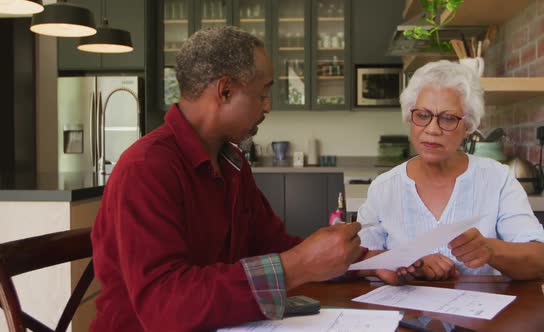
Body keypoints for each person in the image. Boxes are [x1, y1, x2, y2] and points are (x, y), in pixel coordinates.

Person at [90, 26, 364, 332]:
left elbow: (274, 245)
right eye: (262, 93)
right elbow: (164, 305)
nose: (267, 106)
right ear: (225, 91)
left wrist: (367, 263)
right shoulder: (145, 169)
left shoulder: (231, 163)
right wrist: (297, 265)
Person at [356, 60, 544, 285]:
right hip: (404, 315)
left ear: (468, 126)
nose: (432, 130)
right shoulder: (384, 187)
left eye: (448, 118)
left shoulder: (497, 179)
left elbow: (539, 261)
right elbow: (358, 258)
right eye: (422, 115)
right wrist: (399, 261)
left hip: (481, 315)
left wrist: (491, 249)